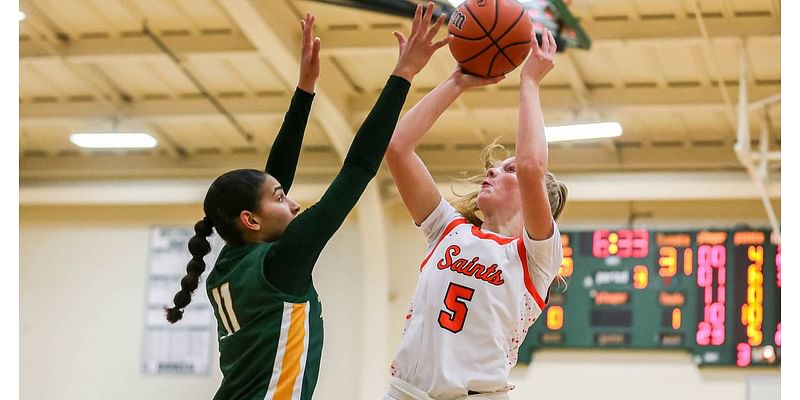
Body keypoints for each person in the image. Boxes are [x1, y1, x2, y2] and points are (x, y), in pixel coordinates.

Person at [163, 5, 448, 399]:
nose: (294, 204)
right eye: (282, 199)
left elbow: (271, 181)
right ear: (250, 220)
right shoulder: (281, 264)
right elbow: (360, 166)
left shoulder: (230, 265)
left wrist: (305, 92)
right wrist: (404, 75)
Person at [383, 28, 567, 400]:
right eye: (494, 167)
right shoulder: (447, 228)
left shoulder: (536, 256)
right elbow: (398, 148)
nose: (493, 171)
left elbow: (532, 165)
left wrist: (529, 82)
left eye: (507, 169)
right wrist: (455, 82)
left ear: (536, 199)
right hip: (405, 393)